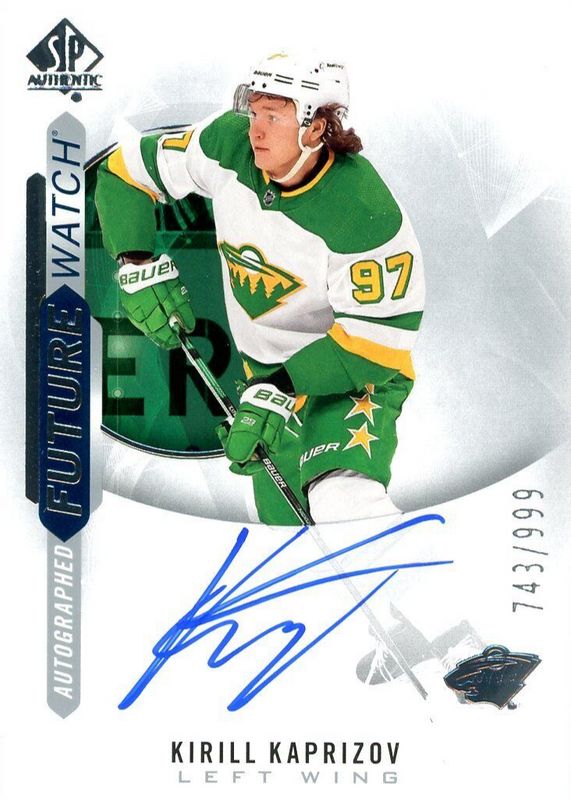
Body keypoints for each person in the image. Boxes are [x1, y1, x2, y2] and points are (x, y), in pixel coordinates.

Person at [95, 52, 425, 525]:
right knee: (285, 529)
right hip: (263, 377)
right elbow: (123, 171)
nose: (256, 130)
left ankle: (411, 568)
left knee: (341, 501)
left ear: (316, 128)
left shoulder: (364, 209)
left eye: (273, 116)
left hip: (351, 379)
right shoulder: (225, 145)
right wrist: (135, 261)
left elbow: (377, 343)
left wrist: (278, 388)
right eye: (254, 113)